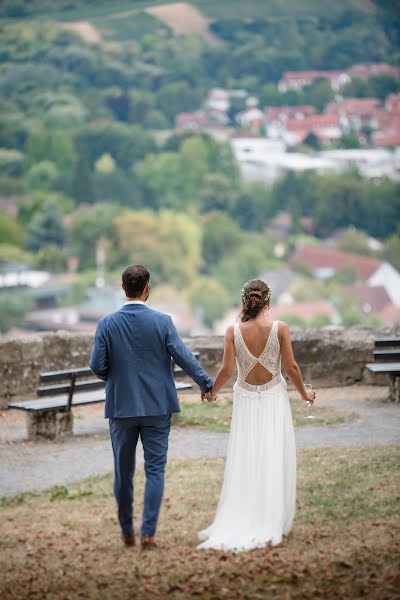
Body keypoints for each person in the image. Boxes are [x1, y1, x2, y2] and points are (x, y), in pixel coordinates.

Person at [89, 265, 213, 549]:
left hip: (121, 408)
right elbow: (183, 356)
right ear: (148, 288)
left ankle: (126, 532)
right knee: (155, 470)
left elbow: (97, 365)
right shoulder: (163, 322)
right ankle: (148, 534)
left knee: (124, 472)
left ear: (122, 288)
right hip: (157, 406)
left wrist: (116, 378)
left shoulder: (106, 324)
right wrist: (205, 384)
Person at [198, 279, 316, 552]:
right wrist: (304, 394)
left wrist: (212, 392)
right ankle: (270, 516)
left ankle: (245, 513)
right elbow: (292, 368)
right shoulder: (280, 329)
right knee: (274, 455)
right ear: (268, 301)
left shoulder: (232, 331)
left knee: (246, 457)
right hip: (274, 398)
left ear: (245, 300)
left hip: (246, 401)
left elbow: (227, 372)